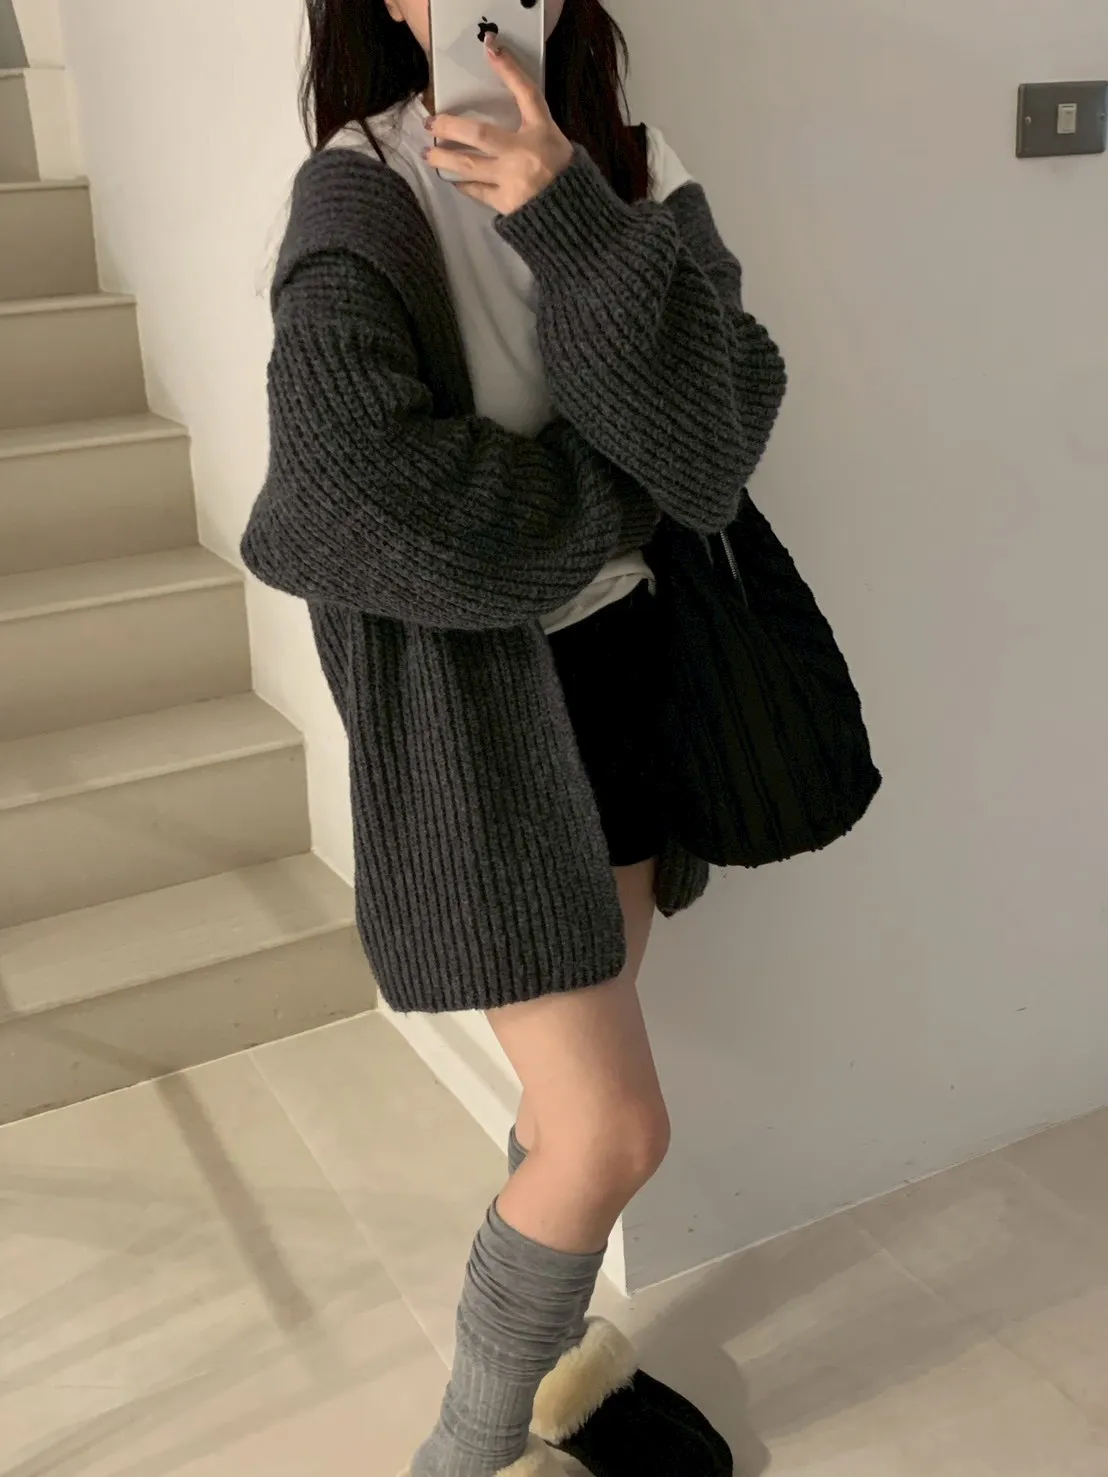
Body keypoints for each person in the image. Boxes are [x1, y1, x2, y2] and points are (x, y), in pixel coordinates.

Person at [241, 1, 787, 1473]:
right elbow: (339, 495)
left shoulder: (638, 168)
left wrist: (571, 216)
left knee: (566, 1114)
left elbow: (720, 441)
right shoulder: (362, 188)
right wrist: (616, 504)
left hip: (631, 687)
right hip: (477, 720)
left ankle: (558, 1379)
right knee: (613, 1133)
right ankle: (465, 1452)